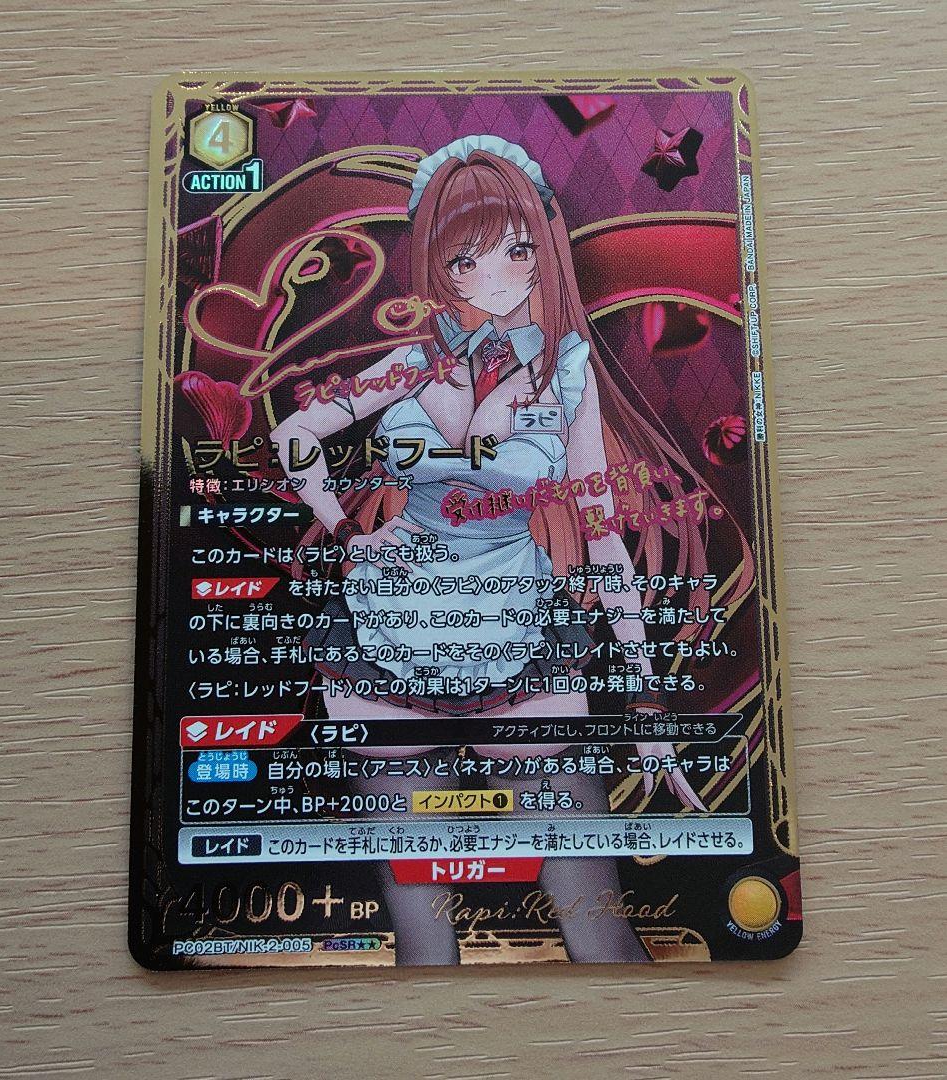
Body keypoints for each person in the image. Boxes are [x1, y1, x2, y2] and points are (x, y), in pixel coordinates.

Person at [272, 135, 753, 964]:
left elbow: (601, 531)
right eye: (467, 258)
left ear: (543, 253)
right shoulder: (411, 365)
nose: (496, 275)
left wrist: (644, 700)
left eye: (517, 250)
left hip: (518, 649)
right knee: (422, 946)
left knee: (599, 930)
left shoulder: (566, 373)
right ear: (440, 268)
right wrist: (349, 530)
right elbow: (294, 434)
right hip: (382, 651)